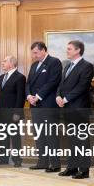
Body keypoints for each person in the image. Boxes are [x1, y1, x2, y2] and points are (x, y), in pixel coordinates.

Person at [56, 40, 94, 179]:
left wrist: (65, 99)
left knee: (81, 140)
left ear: (78, 50)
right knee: (71, 139)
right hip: (67, 109)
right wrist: (58, 97)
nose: (67, 51)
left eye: (69, 49)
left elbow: (82, 87)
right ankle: (72, 167)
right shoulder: (67, 66)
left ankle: (84, 170)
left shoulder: (87, 66)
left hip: (79, 109)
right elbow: (61, 85)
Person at [25, 41, 62, 172]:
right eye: (33, 53)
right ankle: (42, 162)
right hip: (35, 105)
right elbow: (28, 83)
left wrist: (38, 96)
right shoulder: (34, 65)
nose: (34, 55)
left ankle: (55, 164)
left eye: (35, 52)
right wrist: (29, 96)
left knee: (50, 135)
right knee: (39, 135)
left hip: (48, 104)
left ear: (43, 50)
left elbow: (53, 82)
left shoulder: (54, 62)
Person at [0, 56, 26, 167]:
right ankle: (3, 158)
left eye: (5, 61)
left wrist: (17, 113)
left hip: (14, 114)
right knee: (3, 136)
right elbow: (0, 96)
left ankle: (17, 159)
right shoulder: (2, 77)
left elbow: (20, 97)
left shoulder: (20, 77)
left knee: (15, 137)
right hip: (2, 113)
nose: (2, 62)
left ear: (12, 64)